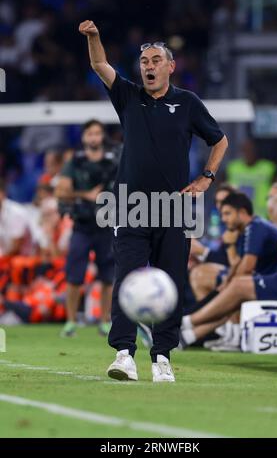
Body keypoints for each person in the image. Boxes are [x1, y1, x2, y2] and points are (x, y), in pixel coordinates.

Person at [79, 20, 228, 382]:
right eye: (144, 61)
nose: (148, 66)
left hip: (175, 208)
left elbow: (219, 140)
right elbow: (100, 66)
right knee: (127, 279)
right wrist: (96, 37)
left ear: (170, 67)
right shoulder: (129, 96)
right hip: (130, 206)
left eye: (156, 60)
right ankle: (124, 354)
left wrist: (206, 178)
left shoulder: (188, 102)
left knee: (172, 283)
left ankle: (162, 357)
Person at [181, 195, 277, 342]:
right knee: (229, 286)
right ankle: (189, 335)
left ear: (242, 212)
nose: (223, 219)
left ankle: (186, 322)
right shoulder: (244, 230)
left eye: (227, 213)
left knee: (236, 286)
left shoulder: (256, 226)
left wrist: (228, 281)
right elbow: (238, 263)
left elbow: (247, 267)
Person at [56, 119, 117, 337]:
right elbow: (61, 192)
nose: (94, 137)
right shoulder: (75, 161)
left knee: (108, 276)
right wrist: (86, 195)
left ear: (102, 136)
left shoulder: (114, 161)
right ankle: (71, 321)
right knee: (74, 275)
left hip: (106, 225)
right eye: (89, 133)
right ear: (84, 137)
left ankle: (106, 321)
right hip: (81, 225)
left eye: (97, 133)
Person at [226, 138, 276, 217]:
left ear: (257, 151)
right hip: (237, 218)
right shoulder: (232, 168)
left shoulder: (268, 168)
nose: (249, 153)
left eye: (251, 150)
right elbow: (222, 189)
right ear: (242, 151)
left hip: (262, 217)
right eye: (246, 150)